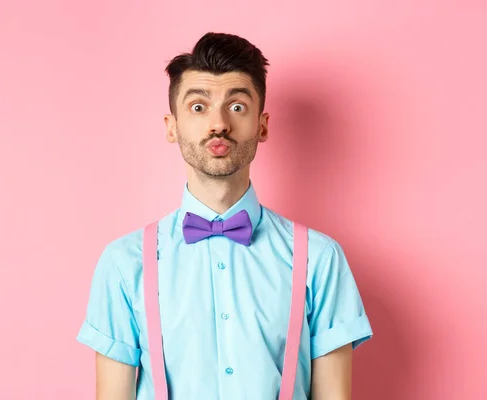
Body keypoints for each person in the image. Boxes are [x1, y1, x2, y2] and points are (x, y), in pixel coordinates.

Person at [76, 32, 373, 400]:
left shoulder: (320, 259)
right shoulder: (123, 263)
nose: (218, 123)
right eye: (198, 107)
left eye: (236, 106)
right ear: (172, 126)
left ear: (262, 125)